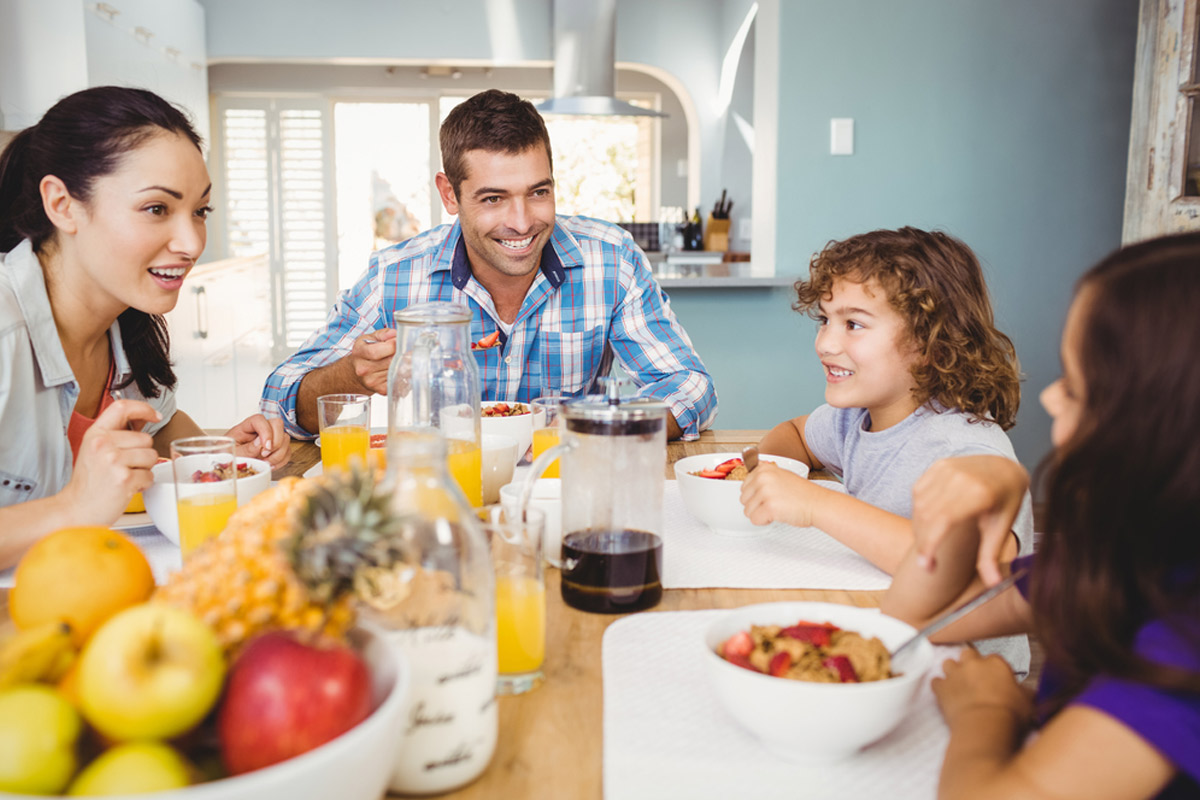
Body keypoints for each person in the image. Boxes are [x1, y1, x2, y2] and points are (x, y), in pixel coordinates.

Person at [881, 233, 1200, 800]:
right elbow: (911, 621)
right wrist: (986, 481)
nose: (1050, 399)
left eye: (1077, 387)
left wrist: (986, 712)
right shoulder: (1115, 557)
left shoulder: (1185, 642)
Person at [261, 89, 717, 441]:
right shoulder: (396, 275)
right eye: (493, 198)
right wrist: (352, 374)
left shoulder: (610, 260)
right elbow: (281, 400)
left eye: (538, 192)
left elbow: (688, 385)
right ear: (448, 194)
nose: (521, 223)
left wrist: (597, 433)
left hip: (567, 484)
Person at [0, 86, 290, 568]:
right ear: (63, 204)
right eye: (157, 208)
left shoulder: (124, 321)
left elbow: (163, 430)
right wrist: (74, 507)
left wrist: (217, 455)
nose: (192, 242)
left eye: (200, 211)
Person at [741, 227, 1033, 672]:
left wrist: (814, 504)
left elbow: (962, 572)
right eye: (825, 320)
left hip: (962, 675)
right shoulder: (853, 418)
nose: (825, 343)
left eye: (853, 324)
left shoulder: (968, 449)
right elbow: (794, 434)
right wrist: (775, 473)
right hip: (884, 633)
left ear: (929, 342)